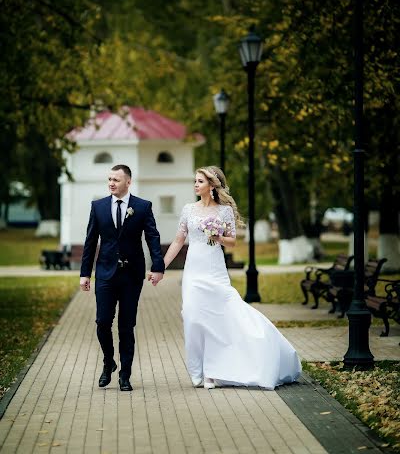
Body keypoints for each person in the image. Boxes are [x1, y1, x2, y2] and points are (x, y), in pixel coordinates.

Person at [148, 165, 301, 390]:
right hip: (193, 270)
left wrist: (217, 235)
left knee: (219, 315)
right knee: (192, 315)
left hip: (215, 269)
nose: (195, 185)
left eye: (200, 181)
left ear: (212, 185)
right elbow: (179, 241)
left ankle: (214, 371)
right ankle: (197, 370)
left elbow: (232, 241)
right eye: (195, 181)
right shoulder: (188, 209)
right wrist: (160, 267)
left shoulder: (224, 211)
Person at [80, 164, 164, 392]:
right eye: (109, 179)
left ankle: (125, 375)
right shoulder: (97, 207)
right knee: (103, 323)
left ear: (128, 182)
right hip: (105, 275)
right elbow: (90, 241)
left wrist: (158, 266)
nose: (111, 183)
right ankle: (109, 362)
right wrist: (85, 273)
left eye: (116, 179)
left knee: (126, 327)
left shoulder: (142, 206)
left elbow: (153, 238)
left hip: (131, 276)